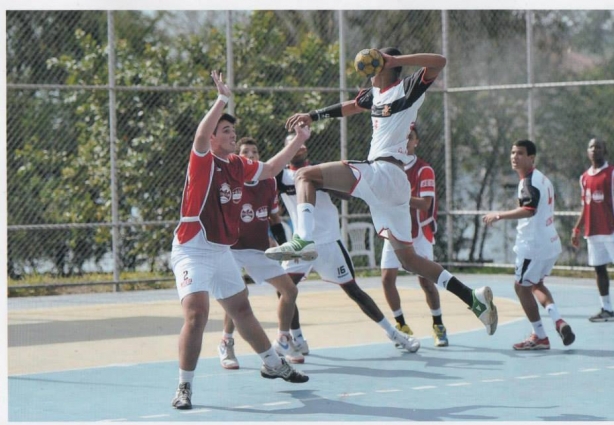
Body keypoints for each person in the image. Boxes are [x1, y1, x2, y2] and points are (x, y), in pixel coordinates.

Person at [265, 47, 498, 336]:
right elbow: (350, 106)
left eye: (373, 67)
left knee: (305, 175)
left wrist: (397, 61)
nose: (368, 74)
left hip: (384, 172)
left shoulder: (408, 88)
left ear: (383, 67)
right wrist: (313, 115)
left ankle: (302, 240)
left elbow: (440, 61)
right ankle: (473, 299)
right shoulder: (374, 95)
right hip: (392, 185)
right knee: (409, 260)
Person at [170, 71, 309, 410]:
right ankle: (184, 387)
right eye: (226, 130)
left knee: (242, 308)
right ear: (214, 137)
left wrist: (298, 139)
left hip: (221, 251)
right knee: (197, 315)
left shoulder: (237, 165)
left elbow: (273, 167)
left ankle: (273, 364)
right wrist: (221, 100)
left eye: (233, 130)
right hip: (192, 249)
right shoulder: (204, 160)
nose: (232, 135)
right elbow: (202, 133)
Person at [275, 134, 420, 353]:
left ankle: (395, 333)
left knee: (353, 290)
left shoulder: (317, 173)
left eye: (303, 142)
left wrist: (324, 183)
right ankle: (296, 339)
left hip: (328, 241)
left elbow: (347, 197)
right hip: (302, 244)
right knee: (285, 290)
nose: (301, 145)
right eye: (294, 142)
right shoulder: (281, 177)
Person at [218, 137, 304, 371]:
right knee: (239, 295)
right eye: (245, 152)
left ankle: (283, 339)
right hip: (232, 249)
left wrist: (285, 247)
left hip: (258, 248)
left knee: (290, 290)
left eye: (255, 152)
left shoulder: (268, 183)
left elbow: (274, 218)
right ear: (237, 157)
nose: (251, 155)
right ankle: (226, 342)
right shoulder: (230, 180)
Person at [483, 140, 575, 350]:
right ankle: (558, 320)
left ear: (531, 158)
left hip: (533, 246)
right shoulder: (542, 179)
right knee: (535, 285)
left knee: (520, 288)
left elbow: (529, 209)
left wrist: (498, 215)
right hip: (550, 242)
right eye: (513, 152)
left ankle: (540, 336)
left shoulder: (528, 182)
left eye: (521, 153)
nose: (515, 157)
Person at [380, 125, 448, 347]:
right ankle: (401, 325)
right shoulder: (387, 166)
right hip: (394, 230)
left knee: (426, 282)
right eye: (402, 137)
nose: (406, 141)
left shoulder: (423, 169)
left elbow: (425, 205)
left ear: (416, 142)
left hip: (418, 233)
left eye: (410, 137)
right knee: (387, 279)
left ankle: (438, 324)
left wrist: (398, 196)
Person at [571, 138, 614, 322]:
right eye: (591, 147)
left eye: (598, 147)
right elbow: (585, 205)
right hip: (594, 231)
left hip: (611, 230)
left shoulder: (611, 173)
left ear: (605, 151)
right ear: (587, 152)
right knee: (599, 269)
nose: (594, 149)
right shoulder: (584, 177)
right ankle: (607, 309)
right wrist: (577, 228)